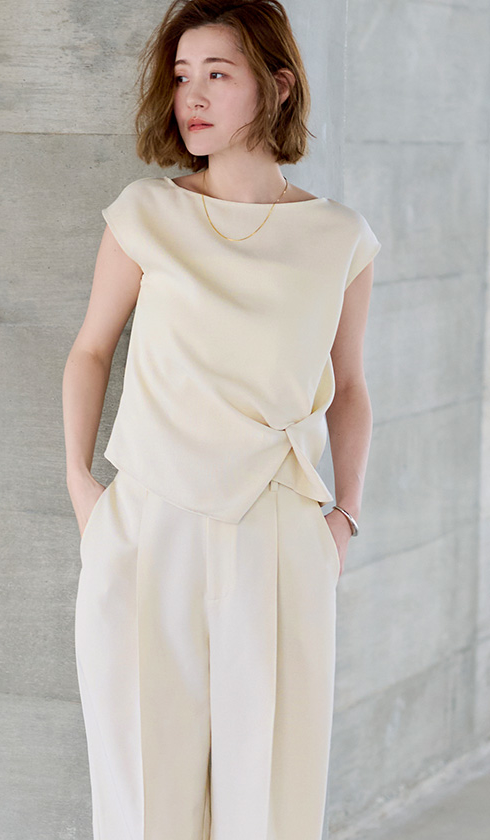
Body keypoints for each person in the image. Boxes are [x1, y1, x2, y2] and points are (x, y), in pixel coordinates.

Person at [62, 1, 381, 838]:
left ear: (278, 86)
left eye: (216, 74)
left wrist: (344, 517)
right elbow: (91, 350)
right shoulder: (146, 214)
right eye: (180, 77)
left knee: (269, 802)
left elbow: (350, 386)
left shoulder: (339, 237)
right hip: (148, 525)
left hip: (278, 533)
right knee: (143, 802)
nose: (191, 97)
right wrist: (82, 490)